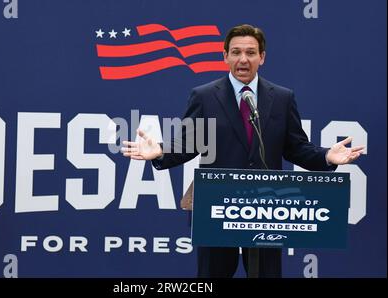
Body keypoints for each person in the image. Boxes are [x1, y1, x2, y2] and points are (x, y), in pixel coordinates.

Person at [121, 24, 364, 278]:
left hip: (266, 210)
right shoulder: (204, 96)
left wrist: (326, 156)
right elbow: (188, 143)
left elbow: (296, 148)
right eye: (236, 52)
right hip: (216, 208)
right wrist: (159, 151)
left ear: (262, 57)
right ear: (224, 56)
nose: (243, 59)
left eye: (251, 52)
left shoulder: (282, 98)